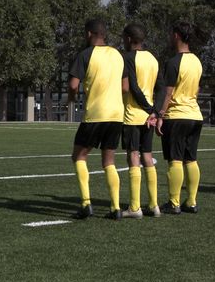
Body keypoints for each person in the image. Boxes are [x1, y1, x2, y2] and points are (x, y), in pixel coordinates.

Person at [64, 19, 131, 220]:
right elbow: (125, 87)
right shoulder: (118, 55)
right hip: (116, 115)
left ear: (88, 34)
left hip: (95, 114)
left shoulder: (85, 54)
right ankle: (115, 208)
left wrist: (72, 97)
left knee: (79, 156)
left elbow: (74, 84)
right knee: (109, 161)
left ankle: (86, 204)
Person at [155, 22, 203, 214]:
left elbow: (168, 93)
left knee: (175, 159)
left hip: (176, 116)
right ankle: (191, 201)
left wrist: (160, 115)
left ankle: (174, 203)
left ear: (176, 35)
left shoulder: (173, 62)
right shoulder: (197, 61)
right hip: (195, 115)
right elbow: (198, 89)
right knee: (191, 159)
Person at [119, 24, 160, 218]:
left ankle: (135, 207)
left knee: (133, 156)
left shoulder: (127, 57)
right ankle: (154, 205)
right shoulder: (153, 58)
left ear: (128, 39)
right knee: (147, 156)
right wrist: (156, 112)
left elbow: (133, 88)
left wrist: (149, 109)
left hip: (134, 115)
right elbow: (161, 88)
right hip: (149, 118)